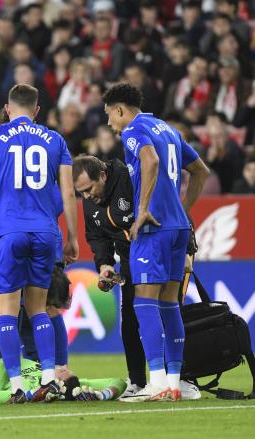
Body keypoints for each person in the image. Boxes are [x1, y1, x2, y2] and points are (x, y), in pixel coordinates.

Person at [0, 84, 79, 404]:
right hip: (44, 232)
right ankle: (49, 378)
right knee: (38, 309)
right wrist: (74, 237)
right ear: (37, 111)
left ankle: (18, 386)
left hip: (8, 233)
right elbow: (68, 193)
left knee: (7, 311)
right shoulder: (56, 140)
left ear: (7, 109)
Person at [102, 83, 210, 401]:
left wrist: (145, 209)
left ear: (120, 110)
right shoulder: (167, 128)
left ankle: (158, 382)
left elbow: (149, 162)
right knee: (169, 304)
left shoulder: (133, 131)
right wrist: (181, 210)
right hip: (177, 228)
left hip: (153, 229)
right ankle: (175, 383)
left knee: (144, 303)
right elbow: (200, 171)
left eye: (110, 115)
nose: (110, 123)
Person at [72, 155, 144, 396]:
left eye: (89, 189)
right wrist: (104, 265)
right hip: (127, 262)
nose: (86, 196)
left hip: (155, 255)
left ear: (102, 175)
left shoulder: (130, 178)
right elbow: (97, 237)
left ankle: (180, 378)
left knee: (161, 315)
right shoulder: (90, 202)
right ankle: (138, 383)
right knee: (130, 321)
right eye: (80, 192)